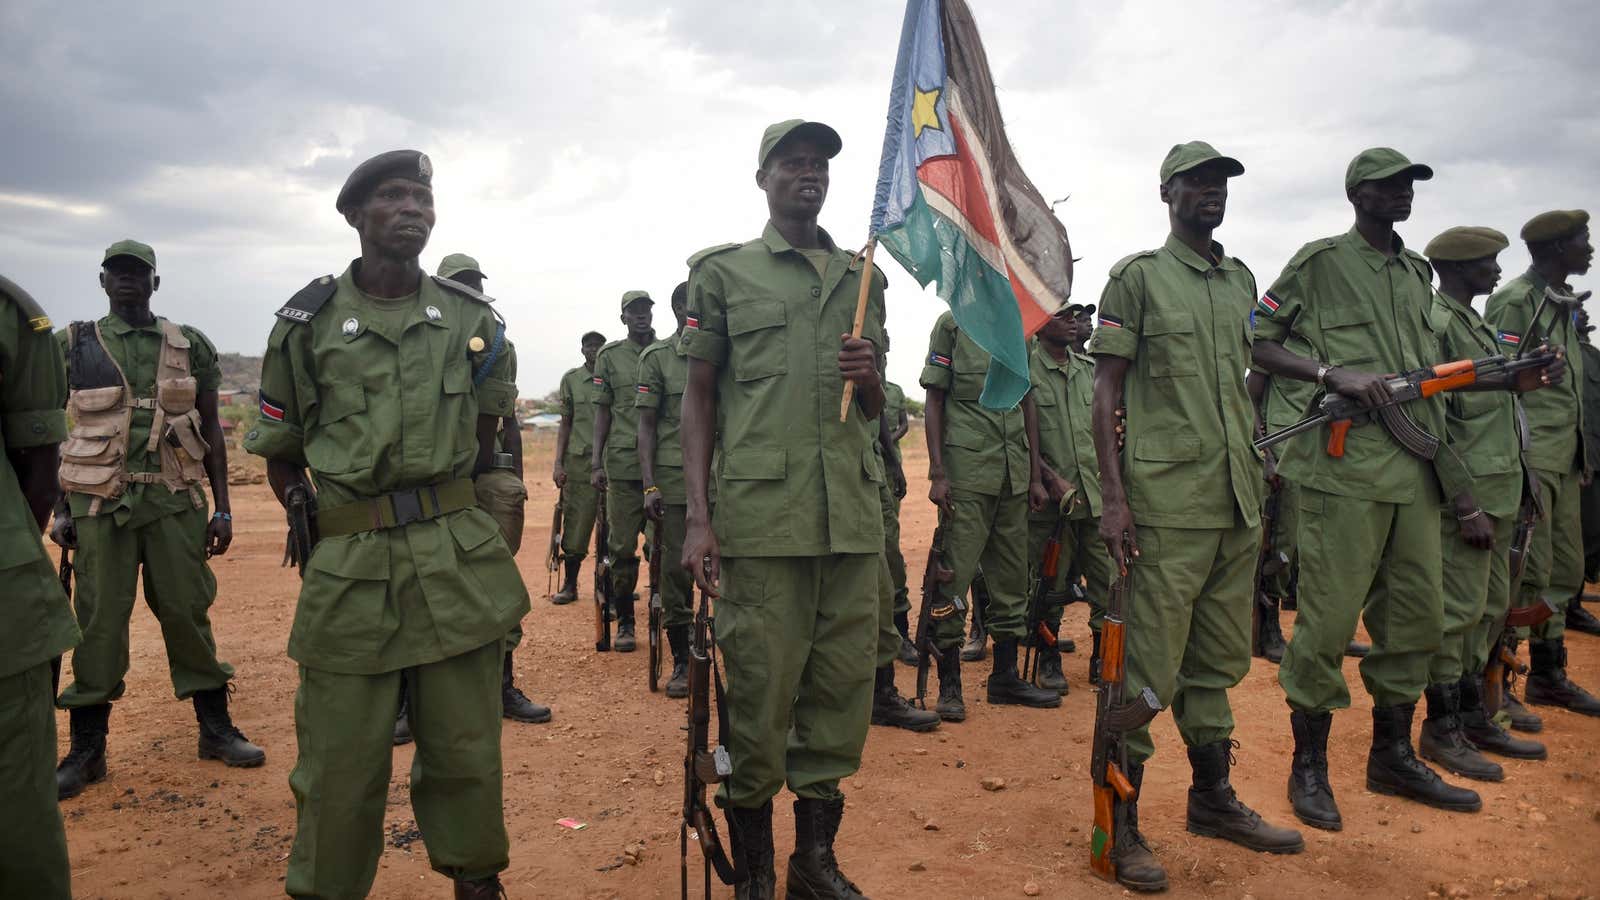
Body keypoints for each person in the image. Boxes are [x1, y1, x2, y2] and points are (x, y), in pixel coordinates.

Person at [244, 149, 527, 898]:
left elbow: (492, 439)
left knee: (466, 749)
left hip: (454, 561)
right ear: (356, 215)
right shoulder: (307, 326)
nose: (414, 209)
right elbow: (279, 453)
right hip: (351, 566)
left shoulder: (470, 320)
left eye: (424, 197)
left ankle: (477, 879)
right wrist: (318, 516)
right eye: (394, 197)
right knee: (340, 761)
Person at [1252, 148, 1498, 827]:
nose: (1403, 196)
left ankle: (1392, 756)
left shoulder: (1416, 271)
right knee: (1328, 624)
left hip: (1414, 474)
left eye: (1410, 186)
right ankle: (1310, 769)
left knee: (1416, 621)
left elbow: (1428, 371)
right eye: (1389, 187)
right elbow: (1258, 340)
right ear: (1358, 194)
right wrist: (1333, 374)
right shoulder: (1319, 262)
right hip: (1344, 477)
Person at [680, 118, 887, 899]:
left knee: (839, 695)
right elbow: (698, 399)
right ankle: (757, 876)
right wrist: (699, 519)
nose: (809, 174)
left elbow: (877, 413)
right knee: (760, 700)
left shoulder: (863, 280)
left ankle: (814, 861)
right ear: (763, 178)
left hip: (850, 523)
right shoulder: (725, 276)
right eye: (793, 163)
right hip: (764, 524)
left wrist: (869, 379)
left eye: (820, 165)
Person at [1088, 141, 1303, 892]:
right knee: (1146, 671)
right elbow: (1105, 391)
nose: (1211, 192)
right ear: (1166, 193)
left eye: (1220, 183)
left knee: (1215, 663)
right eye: (1196, 182)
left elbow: (1245, 378)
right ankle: (1120, 828)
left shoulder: (1238, 277)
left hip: (1234, 501)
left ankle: (1212, 798)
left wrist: (1258, 451)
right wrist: (1113, 499)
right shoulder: (1138, 278)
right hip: (1165, 508)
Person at [51, 239, 263, 801]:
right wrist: (59, 508)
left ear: (155, 282)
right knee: (97, 622)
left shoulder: (190, 344)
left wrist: (222, 505)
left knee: (188, 612)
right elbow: (52, 430)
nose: (128, 281)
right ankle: (87, 752)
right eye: (117, 273)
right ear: (102, 281)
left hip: (175, 502)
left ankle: (215, 732)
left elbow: (212, 428)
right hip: (100, 506)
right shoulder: (74, 344)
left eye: (138, 273)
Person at [1421, 226, 1557, 779]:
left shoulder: (1475, 324)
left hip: (1501, 488)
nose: (1498, 271)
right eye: (1488, 262)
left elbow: (1495, 408)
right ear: (1457, 268)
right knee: (1457, 615)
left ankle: (1474, 715)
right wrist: (1463, 499)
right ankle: (1441, 727)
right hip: (1469, 495)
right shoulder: (1437, 325)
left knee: (1486, 610)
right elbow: (1435, 420)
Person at [1483, 209, 1600, 718]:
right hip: (1531, 456)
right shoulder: (1516, 301)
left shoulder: (1564, 304)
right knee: (1525, 571)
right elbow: (1495, 378)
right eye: (1583, 240)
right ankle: (1499, 676)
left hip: (1565, 456)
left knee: (1564, 570)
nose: (1590, 248)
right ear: (1557, 249)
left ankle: (1550, 673)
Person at [922, 310, 1061, 721]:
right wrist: (937, 472)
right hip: (967, 476)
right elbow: (935, 399)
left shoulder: (1020, 329)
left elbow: (1028, 403)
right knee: (951, 579)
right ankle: (950, 685)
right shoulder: (950, 326)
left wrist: (1036, 475)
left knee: (1013, 579)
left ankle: (1005, 677)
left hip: (1013, 476)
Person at [439, 254, 549, 725]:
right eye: (459, 286)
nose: (469, 294)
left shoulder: (497, 345)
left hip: (479, 474)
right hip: (432, 477)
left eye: (474, 286)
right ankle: (411, 699)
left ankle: (502, 686)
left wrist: (516, 478)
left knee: (496, 579)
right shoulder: (428, 342)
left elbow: (502, 425)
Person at [0, 274, 80, 899]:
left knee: (18, 815)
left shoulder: (12, 316)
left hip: (5, 612)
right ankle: (91, 746)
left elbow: (39, 469)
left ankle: (212, 724)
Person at [1029, 303, 1111, 690]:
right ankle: (1048, 659)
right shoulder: (1024, 372)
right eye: (1064, 316)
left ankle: (1101, 657)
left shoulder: (1090, 372)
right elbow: (1021, 436)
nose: (1074, 322)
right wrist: (1048, 477)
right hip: (1052, 500)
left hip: (1094, 496)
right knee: (1050, 584)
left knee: (1106, 582)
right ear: (1041, 325)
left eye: (1076, 316)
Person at [869, 337, 940, 732]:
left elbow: (878, 415)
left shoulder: (873, 368)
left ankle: (882, 691)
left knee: (886, 573)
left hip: (869, 470)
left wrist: (894, 463)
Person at [636, 282, 695, 698]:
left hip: (728, 480)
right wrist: (650, 484)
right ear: (677, 308)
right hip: (674, 484)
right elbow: (647, 427)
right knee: (676, 572)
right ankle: (681, 659)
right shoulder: (657, 359)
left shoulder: (731, 350)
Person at [592, 291, 656, 651]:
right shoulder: (609, 357)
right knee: (621, 547)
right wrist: (595, 463)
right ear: (623, 318)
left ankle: (666, 614)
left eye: (646, 310)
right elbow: (602, 411)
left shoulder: (664, 353)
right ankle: (626, 621)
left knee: (661, 545)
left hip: (662, 466)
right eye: (634, 312)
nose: (641, 316)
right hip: (622, 466)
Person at [551, 330, 607, 604]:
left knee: (614, 526)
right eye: (589, 345)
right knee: (576, 523)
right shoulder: (571, 380)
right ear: (582, 349)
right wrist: (558, 462)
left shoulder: (613, 377)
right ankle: (570, 584)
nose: (594, 349)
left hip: (612, 462)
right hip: (579, 462)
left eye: (599, 344)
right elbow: (566, 423)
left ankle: (615, 584)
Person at [880, 358, 918, 666]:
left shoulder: (891, 391)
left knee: (890, 551)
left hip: (884, 474)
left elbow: (900, 424)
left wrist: (892, 459)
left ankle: (901, 633)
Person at [1574, 304, 1600, 636]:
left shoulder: (1593, 356)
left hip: (1596, 454)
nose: (1584, 314)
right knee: (1574, 537)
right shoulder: (1555, 356)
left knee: (1592, 534)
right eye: (1575, 309)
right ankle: (1569, 606)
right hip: (1577, 460)